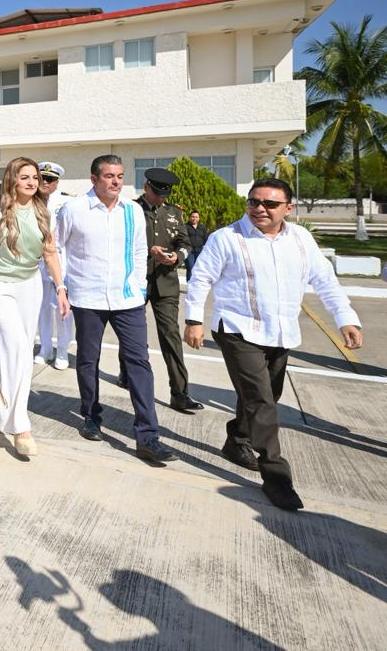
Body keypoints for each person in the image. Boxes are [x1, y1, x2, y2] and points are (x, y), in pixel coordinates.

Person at [184, 178, 363, 511]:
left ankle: (237, 440)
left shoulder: (300, 239)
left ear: (288, 208)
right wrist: (194, 320)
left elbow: (325, 280)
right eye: (254, 202)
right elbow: (201, 278)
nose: (260, 209)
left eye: (270, 204)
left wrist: (345, 318)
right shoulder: (227, 238)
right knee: (261, 401)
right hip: (237, 329)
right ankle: (277, 477)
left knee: (266, 395)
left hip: (281, 332)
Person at [57, 154, 177, 463]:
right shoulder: (74, 209)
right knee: (88, 360)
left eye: (120, 176)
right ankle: (91, 415)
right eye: (109, 176)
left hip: (127, 300)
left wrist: (138, 286)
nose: (116, 182)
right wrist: (62, 287)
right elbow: (57, 249)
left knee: (139, 362)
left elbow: (139, 250)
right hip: (88, 299)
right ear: (94, 179)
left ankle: (147, 435)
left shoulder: (132, 210)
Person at [0, 157, 69, 459]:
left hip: (30, 285)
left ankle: (8, 413)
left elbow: (50, 253)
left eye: (35, 178)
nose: (31, 182)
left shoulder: (43, 213)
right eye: (24, 177)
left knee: (21, 353)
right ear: (12, 180)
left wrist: (61, 288)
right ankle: (21, 427)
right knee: (16, 348)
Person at [131, 167, 202, 412]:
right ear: (146, 187)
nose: (161, 199)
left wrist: (177, 257)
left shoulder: (174, 212)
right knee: (133, 334)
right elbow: (123, 242)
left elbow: (185, 243)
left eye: (165, 195)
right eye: (157, 194)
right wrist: (149, 250)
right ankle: (126, 372)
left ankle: (180, 393)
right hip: (136, 281)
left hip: (166, 282)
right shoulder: (132, 209)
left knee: (171, 335)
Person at [34, 161, 73, 370]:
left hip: (62, 265)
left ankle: (63, 349)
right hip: (38, 266)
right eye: (43, 178)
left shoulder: (67, 202)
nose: (46, 182)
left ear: (57, 182)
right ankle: (46, 347)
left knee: (62, 310)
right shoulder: (30, 201)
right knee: (42, 310)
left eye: (50, 179)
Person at [185, 210, 207, 276]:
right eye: (193, 217)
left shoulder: (202, 227)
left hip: (200, 251)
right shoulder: (185, 227)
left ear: (199, 218)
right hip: (189, 251)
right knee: (190, 268)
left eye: (196, 217)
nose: (194, 218)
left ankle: (197, 282)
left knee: (199, 269)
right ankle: (190, 282)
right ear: (190, 217)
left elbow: (205, 239)